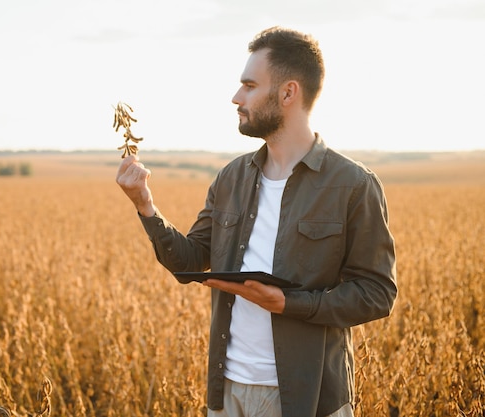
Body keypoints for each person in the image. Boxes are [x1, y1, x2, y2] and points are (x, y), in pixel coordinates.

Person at [116, 26, 397, 417]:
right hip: (226, 392)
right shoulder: (231, 177)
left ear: (287, 93)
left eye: (249, 85)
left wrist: (289, 304)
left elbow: (377, 293)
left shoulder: (353, 185)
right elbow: (190, 262)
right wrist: (145, 204)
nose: (236, 97)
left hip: (308, 397)